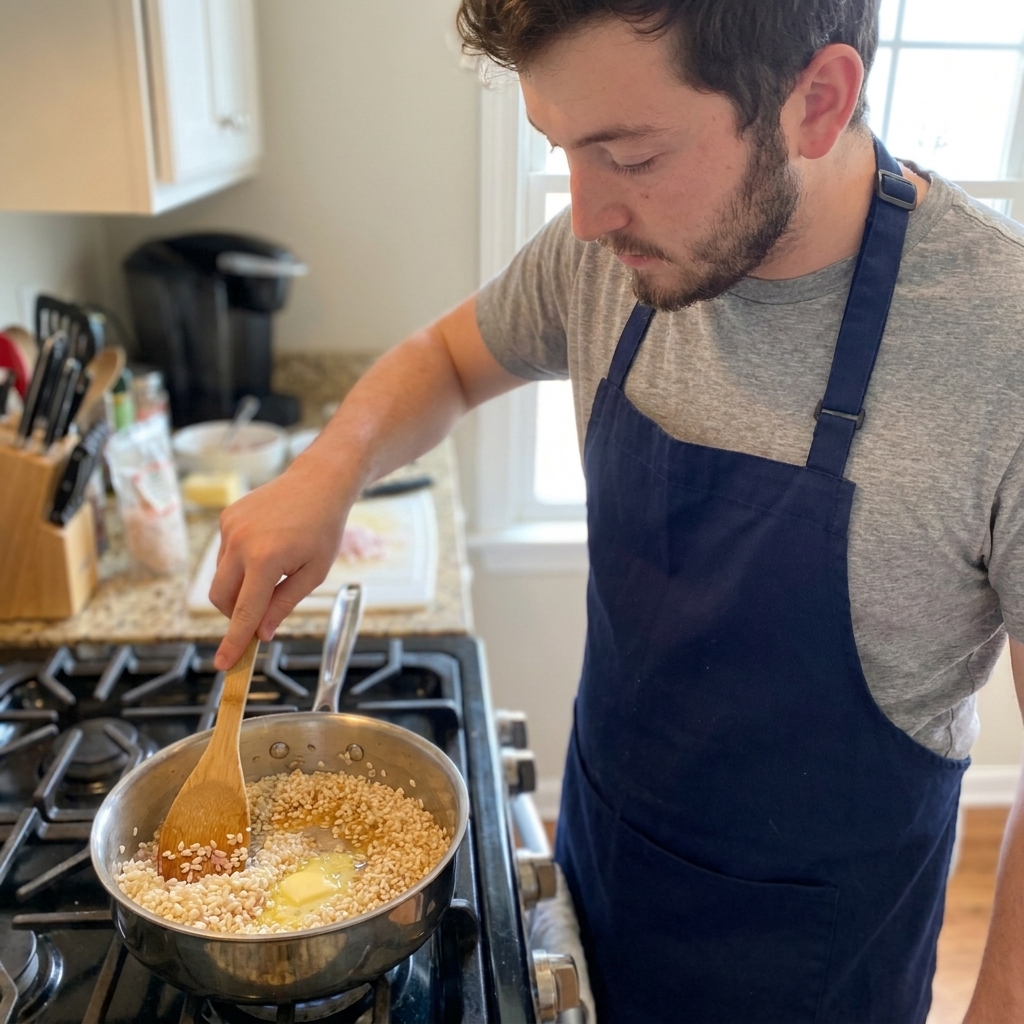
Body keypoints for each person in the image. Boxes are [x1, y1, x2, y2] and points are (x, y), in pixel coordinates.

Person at [209, 1, 1024, 1020]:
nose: (585, 215)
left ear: (816, 102)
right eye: (561, 150)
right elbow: (448, 358)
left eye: (629, 155)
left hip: (810, 976)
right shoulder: (604, 255)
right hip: (599, 881)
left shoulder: (1003, 351)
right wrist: (326, 473)